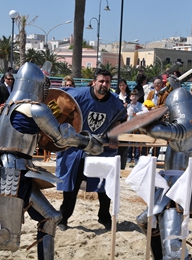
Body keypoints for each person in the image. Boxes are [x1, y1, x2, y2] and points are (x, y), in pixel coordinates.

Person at [0, 62, 103, 260]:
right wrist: (90, 142)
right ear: (37, 84)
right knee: (9, 240)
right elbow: (61, 138)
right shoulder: (35, 109)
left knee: (51, 218)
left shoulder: (7, 108)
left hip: (16, 170)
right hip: (11, 174)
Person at [136, 86, 192, 260]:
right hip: (171, 187)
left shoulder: (188, 128)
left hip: (178, 191)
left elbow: (156, 130)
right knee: (146, 222)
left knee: (173, 248)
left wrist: (148, 118)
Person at [55, 68, 126, 231]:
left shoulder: (115, 102)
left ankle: (104, 217)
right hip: (78, 146)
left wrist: (114, 136)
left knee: (104, 187)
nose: (104, 84)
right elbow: (60, 107)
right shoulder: (78, 95)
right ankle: (63, 218)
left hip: (101, 148)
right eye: (101, 81)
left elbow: (119, 120)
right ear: (94, 82)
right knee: (72, 185)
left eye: (107, 82)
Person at [142, 77, 170, 157]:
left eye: (158, 83)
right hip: (150, 118)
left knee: (158, 139)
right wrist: (148, 108)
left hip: (160, 119)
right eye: (155, 83)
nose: (156, 85)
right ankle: (143, 157)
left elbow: (165, 105)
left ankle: (154, 157)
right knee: (147, 138)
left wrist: (155, 108)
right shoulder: (151, 93)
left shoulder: (165, 94)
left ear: (162, 84)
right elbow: (147, 102)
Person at [127, 89, 143, 165]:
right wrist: (131, 107)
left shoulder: (141, 105)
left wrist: (137, 114)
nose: (134, 97)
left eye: (135, 96)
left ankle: (137, 157)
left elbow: (146, 111)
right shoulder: (128, 105)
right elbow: (129, 113)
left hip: (137, 125)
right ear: (130, 97)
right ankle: (129, 156)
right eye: (132, 96)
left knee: (137, 142)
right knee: (129, 141)